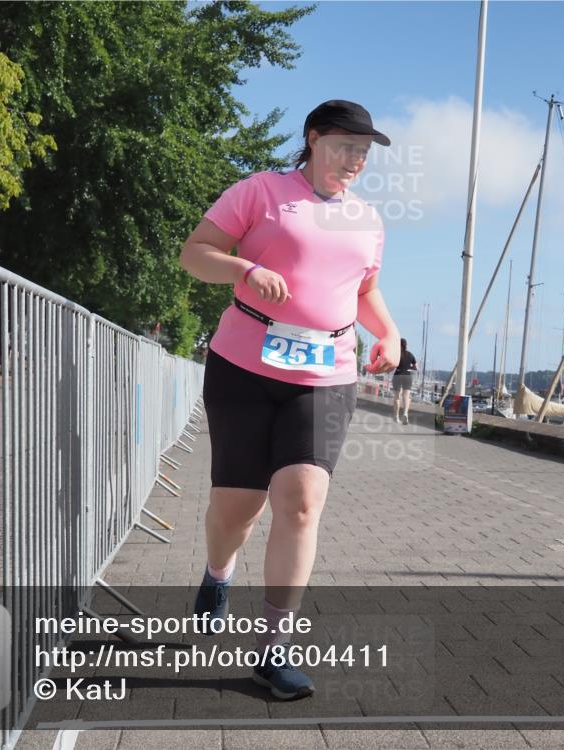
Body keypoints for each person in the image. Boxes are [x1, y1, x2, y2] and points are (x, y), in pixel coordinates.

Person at [179, 100, 400, 700]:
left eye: (364, 150)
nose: (355, 159)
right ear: (313, 139)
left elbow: (365, 290)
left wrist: (390, 331)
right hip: (244, 365)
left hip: (327, 372)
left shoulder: (367, 220)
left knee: (301, 501)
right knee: (237, 512)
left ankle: (273, 649)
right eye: (345, 146)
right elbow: (194, 253)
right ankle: (217, 574)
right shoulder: (261, 191)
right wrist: (244, 270)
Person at [391, 338, 417, 424]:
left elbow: (392, 365)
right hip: (407, 376)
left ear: (400, 345)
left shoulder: (396, 354)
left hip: (398, 375)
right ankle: (405, 414)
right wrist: (408, 368)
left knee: (397, 397)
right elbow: (416, 367)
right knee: (406, 396)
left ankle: (396, 417)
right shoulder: (410, 355)